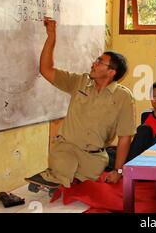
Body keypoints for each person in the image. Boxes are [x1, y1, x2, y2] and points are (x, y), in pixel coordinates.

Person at [25, 17, 136, 188]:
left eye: (100, 62)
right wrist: (51, 37)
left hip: (94, 159)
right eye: (96, 60)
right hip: (66, 149)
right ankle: (57, 178)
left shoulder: (123, 97)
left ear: (111, 72)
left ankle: (58, 180)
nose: (94, 63)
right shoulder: (80, 82)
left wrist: (118, 171)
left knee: (84, 187)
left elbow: (125, 138)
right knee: (63, 170)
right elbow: (46, 70)